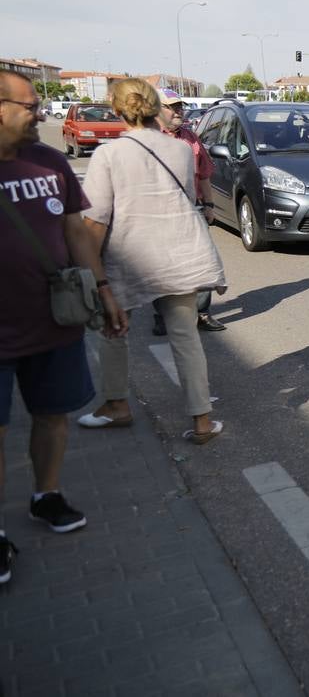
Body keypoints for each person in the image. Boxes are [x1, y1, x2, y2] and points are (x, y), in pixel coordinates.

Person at [0, 70, 127, 584]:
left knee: (52, 416)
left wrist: (102, 289)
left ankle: (45, 495)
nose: (40, 114)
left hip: (54, 317)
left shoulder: (51, 162)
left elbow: (75, 229)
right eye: (30, 106)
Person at [77, 79, 227, 444]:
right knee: (186, 336)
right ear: (154, 106)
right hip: (178, 254)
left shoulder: (109, 155)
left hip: (128, 256)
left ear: (116, 109)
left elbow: (95, 220)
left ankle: (116, 406)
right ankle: (202, 421)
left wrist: (93, 274)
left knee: (114, 330)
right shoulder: (178, 150)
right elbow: (185, 199)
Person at [151, 91, 223, 335]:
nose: (179, 111)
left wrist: (210, 206)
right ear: (157, 109)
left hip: (192, 209)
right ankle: (163, 316)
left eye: (180, 106)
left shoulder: (190, 138)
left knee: (201, 263)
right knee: (163, 267)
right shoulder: (149, 139)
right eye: (173, 107)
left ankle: (202, 313)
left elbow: (203, 174)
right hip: (160, 214)